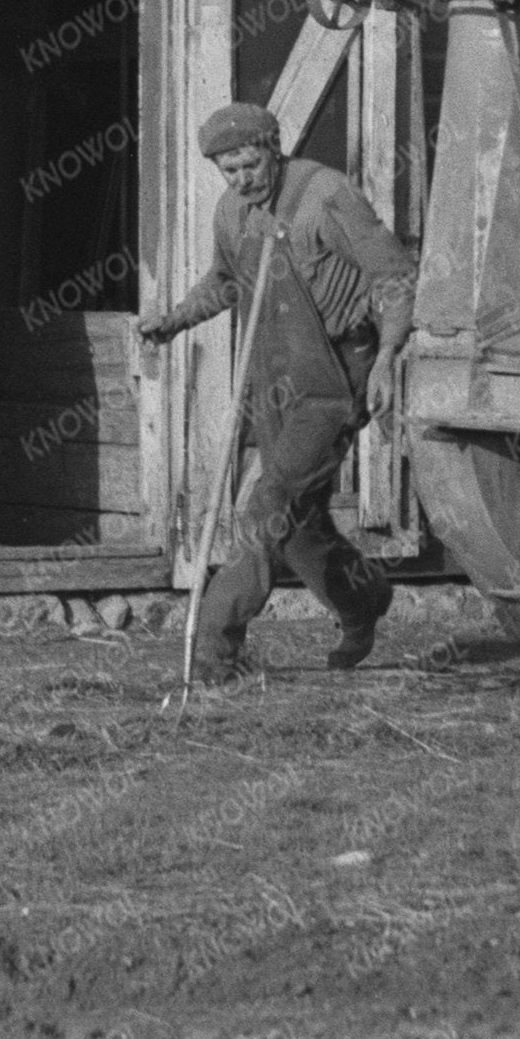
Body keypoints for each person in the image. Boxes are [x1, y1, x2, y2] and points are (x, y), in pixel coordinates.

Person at [136, 98, 414, 678]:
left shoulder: (326, 196)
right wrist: (175, 320)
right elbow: (225, 282)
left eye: (249, 165)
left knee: (265, 507)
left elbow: (393, 274)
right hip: (275, 380)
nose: (241, 180)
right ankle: (364, 598)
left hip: (334, 382)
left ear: (272, 149)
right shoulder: (232, 213)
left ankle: (214, 647)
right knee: (298, 525)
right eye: (229, 170)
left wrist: (388, 354)